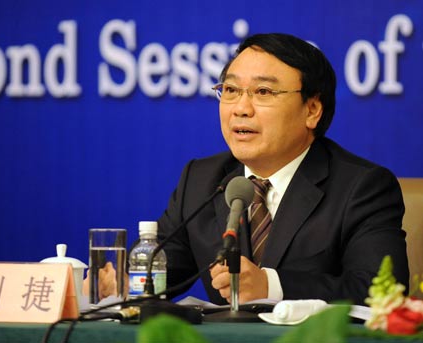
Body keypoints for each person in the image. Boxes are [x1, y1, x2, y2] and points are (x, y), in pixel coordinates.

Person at [157, 33, 409, 306]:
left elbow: (381, 292)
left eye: (263, 92)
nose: (241, 108)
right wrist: (124, 284)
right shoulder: (201, 179)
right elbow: (158, 275)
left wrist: (272, 286)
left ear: (312, 109)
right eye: (230, 90)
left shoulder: (362, 187)